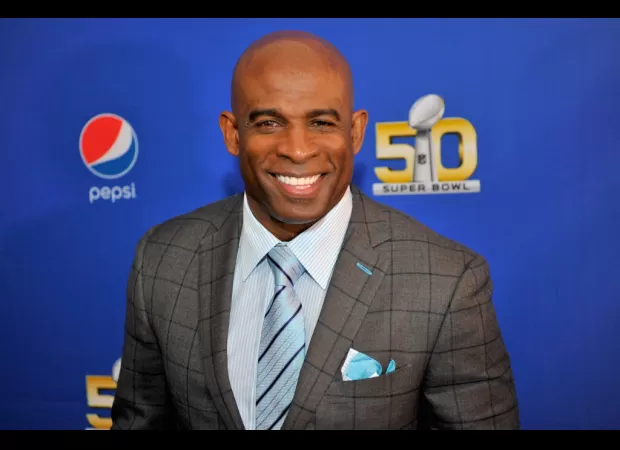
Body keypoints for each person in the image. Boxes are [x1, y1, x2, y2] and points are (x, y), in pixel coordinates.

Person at [110, 30, 519, 430]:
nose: (298, 149)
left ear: (355, 132)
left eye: (321, 122)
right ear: (233, 134)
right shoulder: (161, 261)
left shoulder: (446, 281)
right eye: (269, 122)